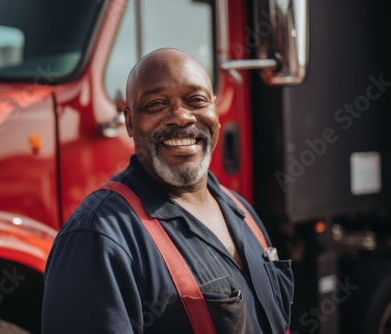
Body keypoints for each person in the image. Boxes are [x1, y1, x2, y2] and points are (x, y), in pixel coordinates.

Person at [42, 48, 294, 333]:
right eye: (156, 104)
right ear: (129, 122)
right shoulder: (98, 238)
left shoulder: (242, 212)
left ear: (216, 112)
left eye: (196, 100)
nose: (181, 117)